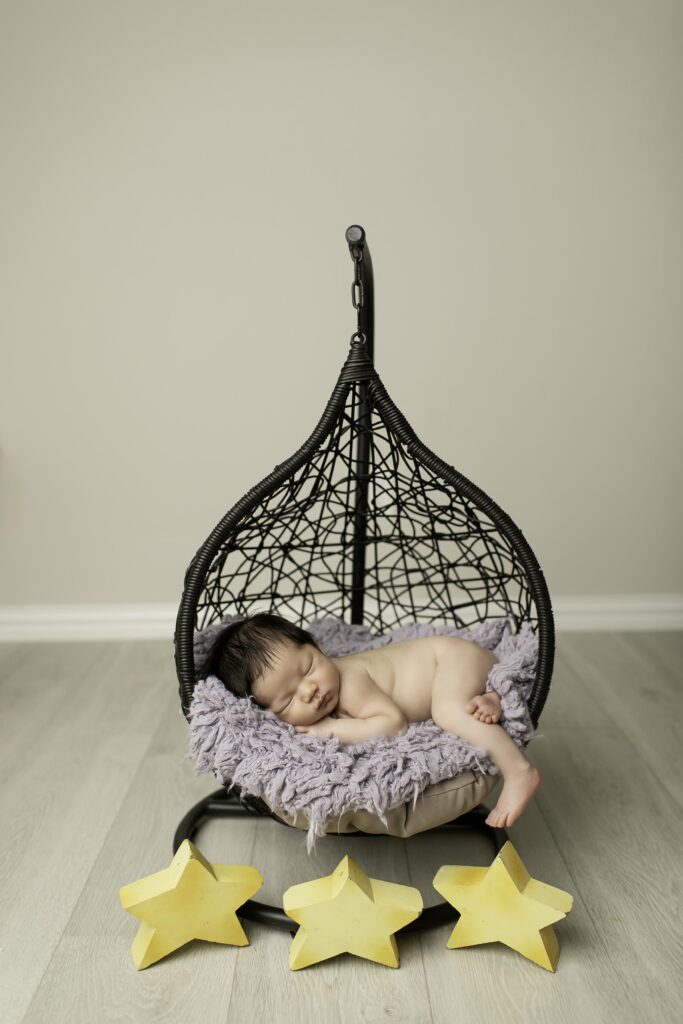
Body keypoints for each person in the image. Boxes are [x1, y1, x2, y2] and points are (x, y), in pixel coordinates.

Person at [203, 612, 541, 828]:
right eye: (288, 699)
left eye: (308, 669)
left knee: (448, 712)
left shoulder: (349, 682)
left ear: (318, 646)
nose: (310, 690)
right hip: (462, 668)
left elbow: (392, 724)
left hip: (451, 659)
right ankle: (488, 695)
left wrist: (331, 729)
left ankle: (519, 771)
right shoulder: (314, 690)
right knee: (461, 705)